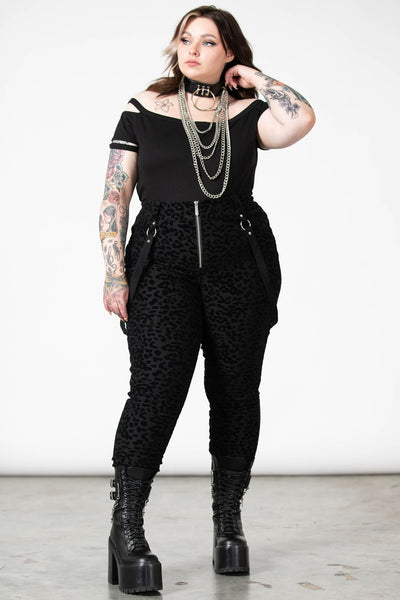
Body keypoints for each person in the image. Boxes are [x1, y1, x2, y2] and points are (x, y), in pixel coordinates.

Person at [99, 5, 315, 594]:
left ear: (229, 52)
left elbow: (301, 119)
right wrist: (115, 273)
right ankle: (126, 527)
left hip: (237, 262)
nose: (192, 49)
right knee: (157, 388)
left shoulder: (248, 112)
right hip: (161, 262)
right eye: (185, 39)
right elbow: (115, 196)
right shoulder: (144, 108)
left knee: (237, 389)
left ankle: (228, 523)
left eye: (208, 42)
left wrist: (258, 79)